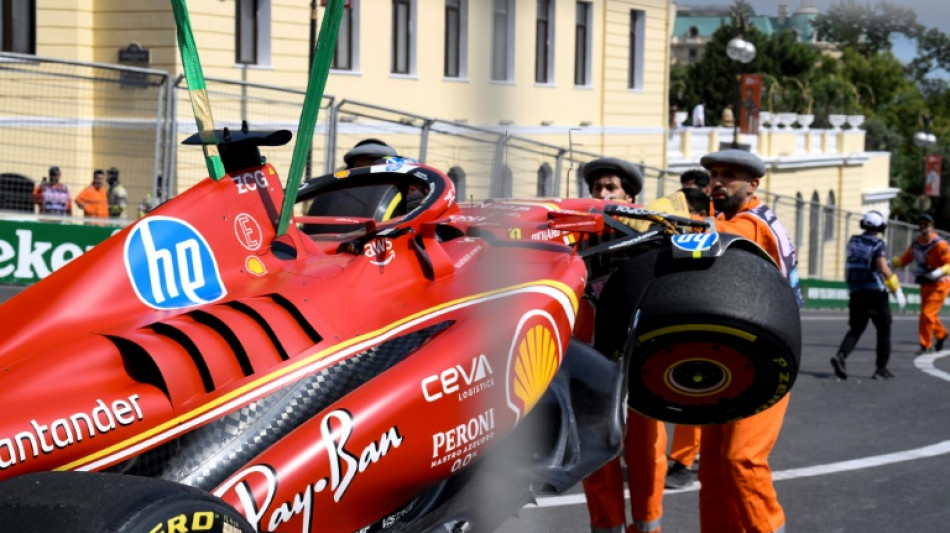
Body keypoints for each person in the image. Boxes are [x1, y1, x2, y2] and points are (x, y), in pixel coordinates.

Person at [696, 148, 802, 533]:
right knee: (714, 467)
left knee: (742, 459)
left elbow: (709, 234)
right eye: (715, 175)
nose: (718, 183)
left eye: (729, 176)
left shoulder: (752, 223)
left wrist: (658, 220)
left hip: (765, 360)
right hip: (735, 356)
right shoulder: (743, 219)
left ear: (753, 184)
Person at [580, 157, 665, 533]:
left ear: (629, 195)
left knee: (645, 450)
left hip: (638, 359)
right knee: (593, 453)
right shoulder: (576, 238)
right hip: (588, 359)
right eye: (597, 188)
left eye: (610, 188)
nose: (601, 194)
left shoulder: (652, 237)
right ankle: (606, 527)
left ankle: (648, 525)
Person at [831, 211, 906, 380]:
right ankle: (881, 368)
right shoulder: (878, 244)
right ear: (880, 227)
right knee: (884, 329)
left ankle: (841, 355)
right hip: (874, 293)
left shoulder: (853, 241)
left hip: (856, 292)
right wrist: (897, 290)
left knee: (856, 329)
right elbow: (883, 268)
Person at [892, 213, 950, 353]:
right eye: (921, 225)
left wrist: (937, 272)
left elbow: (949, 264)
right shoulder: (916, 244)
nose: (924, 228)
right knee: (925, 315)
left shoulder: (940, 244)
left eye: (927, 225)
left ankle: (933, 339)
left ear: (932, 227)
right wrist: (892, 262)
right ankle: (932, 340)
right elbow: (905, 259)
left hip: (940, 284)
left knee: (927, 313)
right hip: (925, 283)